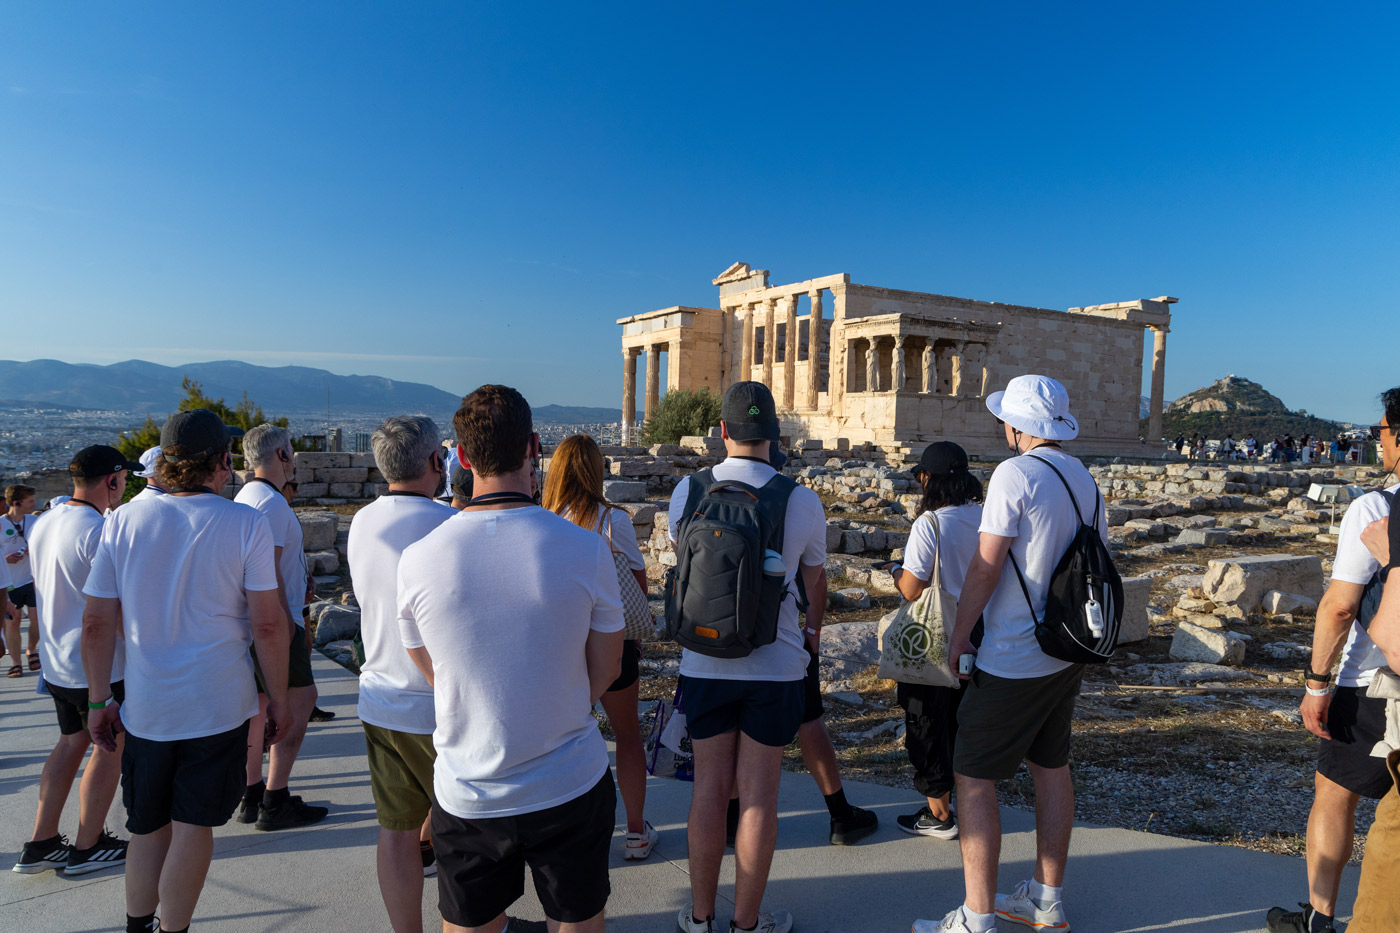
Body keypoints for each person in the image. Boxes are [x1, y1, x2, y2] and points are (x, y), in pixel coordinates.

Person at [398, 385, 623, 933]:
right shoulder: (587, 548)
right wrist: (553, 702)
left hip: (469, 787)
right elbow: (607, 668)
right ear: (533, 446)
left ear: (463, 456)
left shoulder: (418, 559)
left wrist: (485, 701)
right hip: (569, 777)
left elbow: (431, 666)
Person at [82, 409, 290, 933]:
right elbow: (268, 625)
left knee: (147, 827)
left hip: (148, 707)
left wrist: (98, 698)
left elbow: (95, 623)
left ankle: (137, 926)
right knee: (194, 825)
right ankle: (173, 929)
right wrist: (280, 698)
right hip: (219, 704)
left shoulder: (124, 519)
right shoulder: (246, 523)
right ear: (222, 460)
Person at [915, 375, 1106, 933]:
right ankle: (1046, 899)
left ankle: (976, 918)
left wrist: (958, 636)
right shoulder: (1083, 478)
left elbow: (986, 564)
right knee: (1052, 769)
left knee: (972, 777)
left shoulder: (1014, 474)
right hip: (1064, 650)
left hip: (1013, 652)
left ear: (1017, 426)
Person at [670, 382, 827, 933]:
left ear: (723, 433)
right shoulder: (802, 499)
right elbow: (813, 580)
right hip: (776, 665)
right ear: (775, 436)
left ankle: (699, 916)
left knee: (709, 790)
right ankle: (747, 923)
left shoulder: (686, 493)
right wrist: (810, 633)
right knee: (759, 796)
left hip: (704, 661)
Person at [1265, 388, 1400, 933]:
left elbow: (1340, 605)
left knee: (1335, 795)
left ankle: (1320, 920)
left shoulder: (1378, 508)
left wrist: (1316, 683)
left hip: (1373, 680)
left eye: (1382, 432)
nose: (1379, 442)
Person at [11, 446, 141, 876]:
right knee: (110, 748)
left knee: (70, 743)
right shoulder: (98, 530)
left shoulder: (45, 522)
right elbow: (105, 615)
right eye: (125, 478)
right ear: (113, 480)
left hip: (56, 661)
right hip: (97, 667)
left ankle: (41, 841)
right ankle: (88, 845)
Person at [347, 415, 454, 933]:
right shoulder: (446, 525)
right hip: (436, 700)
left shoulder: (363, 521)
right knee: (462, 830)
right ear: (437, 461)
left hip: (379, 694)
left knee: (394, 829)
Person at [543, 433, 660, 861]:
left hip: (559, 644)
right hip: (611, 644)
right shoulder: (614, 521)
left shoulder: (545, 518)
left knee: (562, 737)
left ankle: (564, 833)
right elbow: (638, 585)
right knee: (628, 736)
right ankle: (634, 833)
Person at [883, 442, 984, 842]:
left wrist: (894, 569)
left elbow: (911, 588)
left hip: (936, 633)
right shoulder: (986, 516)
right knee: (964, 717)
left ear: (930, 479)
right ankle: (970, 801)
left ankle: (940, 814)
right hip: (980, 630)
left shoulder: (932, 523)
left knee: (925, 718)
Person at [234, 424, 327, 831]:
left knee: (257, 708)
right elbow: (266, 569)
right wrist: (284, 626)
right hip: (274, 620)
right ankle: (276, 796)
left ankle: (253, 791)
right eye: (291, 451)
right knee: (302, 701)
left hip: (252, 620)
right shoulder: (271, 505)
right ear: (281, 456)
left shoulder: (246, 496)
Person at [4, 483, 40, 676]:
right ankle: (16, 662)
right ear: (16, 503)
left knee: (37, 620)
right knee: (13, 622)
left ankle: (32, 649)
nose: (34, 504)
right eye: (30, 501)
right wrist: (5, 560)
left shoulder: (35, 521)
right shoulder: (1, 524)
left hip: (32, 579)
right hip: (10, 582)